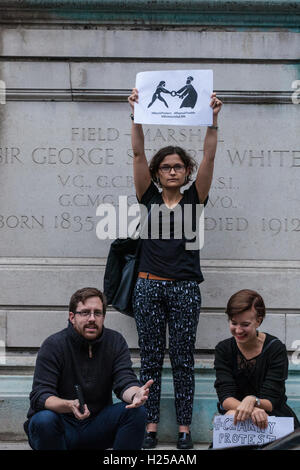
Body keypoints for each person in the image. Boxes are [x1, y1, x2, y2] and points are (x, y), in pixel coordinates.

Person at [128, 88, 222, 449]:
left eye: (177, 166)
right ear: (157, 172)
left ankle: (184, 429)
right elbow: (137, 151)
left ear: (185, 172)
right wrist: (135, 113)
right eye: (165, 166)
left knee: (182, 360)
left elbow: (210, 157)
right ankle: (148, 427)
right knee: (150, 359)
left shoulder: (195, 199)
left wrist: (213, 120)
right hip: (148, 286)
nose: (171, 170)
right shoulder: (147, 197)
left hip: (184, 288)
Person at [24, 287, 153, 450]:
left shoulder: (115, 341)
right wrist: (69, 405)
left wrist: (136, 395)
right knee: (44, 420)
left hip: (97, 425)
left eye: (97, 313)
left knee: (136, 412)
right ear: (72, 317)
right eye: (85, 313)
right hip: (62, 427)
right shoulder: (54, 345)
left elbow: (124, 380)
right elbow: (40, 395)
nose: (92, 318)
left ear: (103, 317)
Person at [214, 289, 300, 430]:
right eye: (234, 323)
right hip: (236, 413)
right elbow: (225, 397)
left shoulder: (275, 348)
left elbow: (271, 400)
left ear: (258, 321)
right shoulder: (224, 349)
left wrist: (253, 400)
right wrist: (251, 408)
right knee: (231, 415)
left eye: (245, 324)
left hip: (273, 415)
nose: (238, 330)